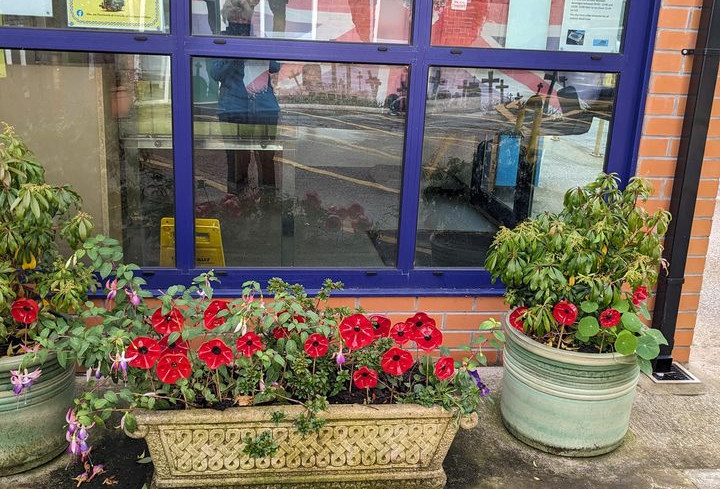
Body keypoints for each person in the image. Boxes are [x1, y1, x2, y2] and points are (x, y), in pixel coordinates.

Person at [210, 0, 281, 192]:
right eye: (235, 16)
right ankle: (237, 205)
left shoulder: (259, 37)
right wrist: (235, 52)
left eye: (244, 16)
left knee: (266, 159)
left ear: (250, 17)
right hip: (234, 109)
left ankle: (268, 203)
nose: (240, 20)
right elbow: (215, 73)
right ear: (227, 18)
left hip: (264, 108)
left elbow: (275, 66)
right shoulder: (221, 40)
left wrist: (256, 47)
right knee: (237, 160)